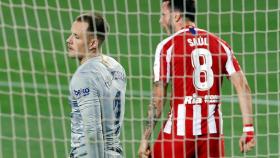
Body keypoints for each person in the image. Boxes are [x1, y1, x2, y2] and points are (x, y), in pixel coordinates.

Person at [138, 0, 255, 157]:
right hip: (212, 137)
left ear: (176, 16)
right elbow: (242, 86)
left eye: (163, 15)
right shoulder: (220, 44)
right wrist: (248, 129)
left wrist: (145, 139)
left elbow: (158, 100)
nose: (161, 21)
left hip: (179, 137)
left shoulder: (167, 47)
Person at [66, 13, 126, 158]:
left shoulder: (84, 76)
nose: (69, 40)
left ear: (93, 43)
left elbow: (93, 132)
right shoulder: (116, 67)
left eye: (76, 37)